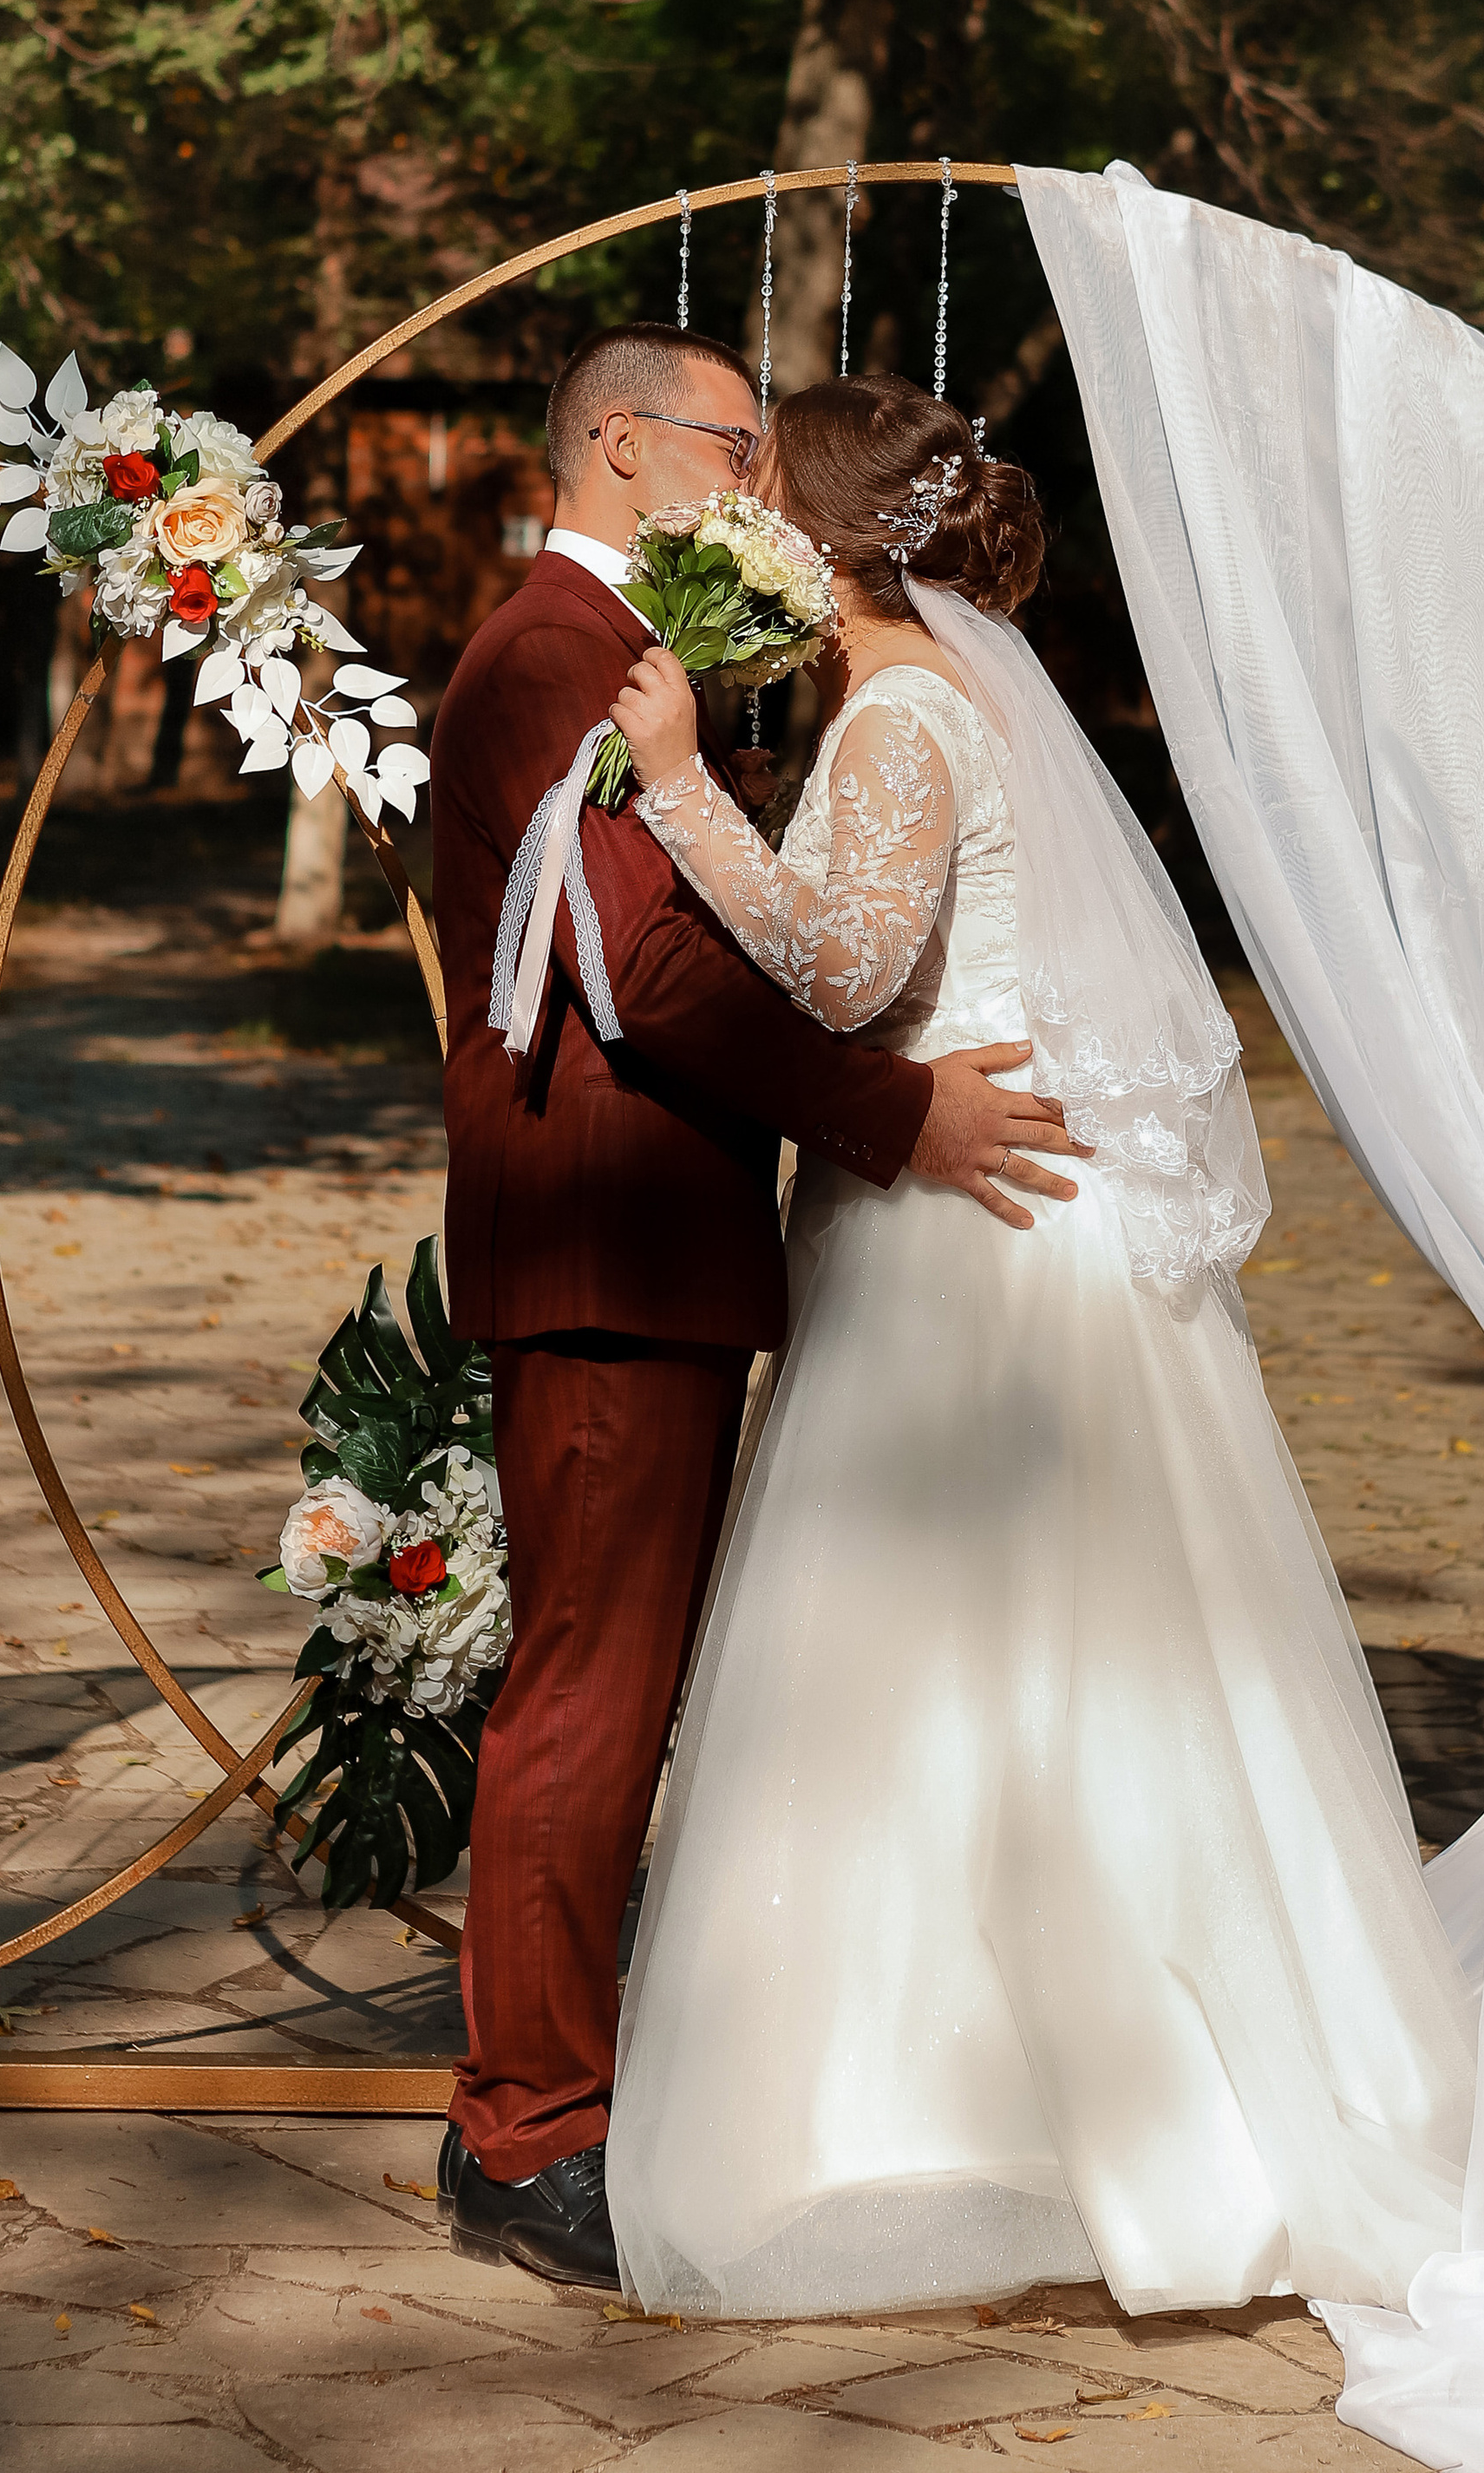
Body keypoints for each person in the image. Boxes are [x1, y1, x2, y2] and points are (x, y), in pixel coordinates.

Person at [598, 374, 1477, 2320]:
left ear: (816, 546)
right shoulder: (966, 698)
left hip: (960, 1251)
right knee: (1067, 1664)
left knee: (930, 1665)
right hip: (1001, 1219)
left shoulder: (905, 714)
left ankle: (915, 2117)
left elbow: (840, 969)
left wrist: (676, 784)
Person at [428, 324, 1087, 2291]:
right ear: (621, 446)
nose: (755, 490)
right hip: (614, 1239)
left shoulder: (621, 657)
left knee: (614, 1683)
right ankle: (524, 2127)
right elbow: (660, 972)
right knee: (589, 1690)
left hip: (655, 1238)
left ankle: (585, 2083)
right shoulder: (556, 652)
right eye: (730, 445)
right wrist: (903, 1116)